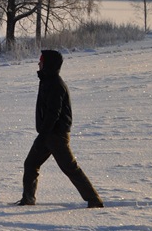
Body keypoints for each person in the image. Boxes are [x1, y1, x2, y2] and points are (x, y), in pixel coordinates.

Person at [17, 50, 104, 208]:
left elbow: (53, 114)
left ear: (48, 64)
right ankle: (28, 199)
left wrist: (42, 136)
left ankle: (94, 200)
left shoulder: (55, 84)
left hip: (55, 135)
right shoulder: (47, 80)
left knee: (70, 168)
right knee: (30, 164)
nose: (38, 63)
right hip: (48, 134)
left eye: (41, 61)